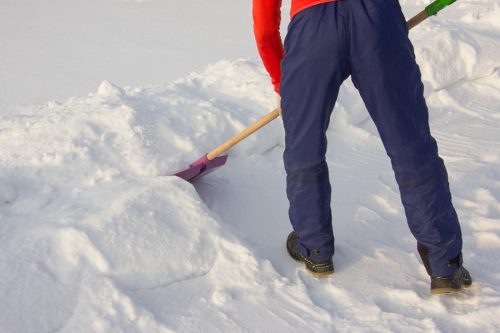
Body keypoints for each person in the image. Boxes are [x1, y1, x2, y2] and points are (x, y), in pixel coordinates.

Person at [252, 0, 472, 294]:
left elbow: (265, 25)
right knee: (409, 142)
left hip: (313, 29)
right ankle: (445, 264)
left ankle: (315, 248)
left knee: (305, 145)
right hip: (377, 19)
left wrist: (283, 83)